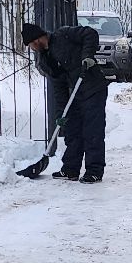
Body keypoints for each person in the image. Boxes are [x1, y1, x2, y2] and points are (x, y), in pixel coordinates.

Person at [22, 21, 114, 183]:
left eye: (31, 45)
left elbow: (90, 33)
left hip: (92, 88)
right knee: (72, 131)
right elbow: (59, 88)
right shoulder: (45, 60)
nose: (32, 49)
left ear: (37, 39)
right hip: (74, 95)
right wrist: (60, 113)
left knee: (92, 131)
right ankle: (71, 169)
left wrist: (87, 56)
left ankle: (94, 171)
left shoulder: (63, 35)